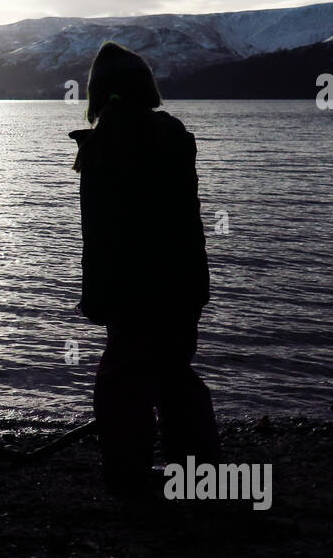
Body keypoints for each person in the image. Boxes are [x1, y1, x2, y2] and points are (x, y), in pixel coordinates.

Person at [70, 41, 220, 499]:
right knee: (173, 375)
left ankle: (128, 475)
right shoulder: (171, 136)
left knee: (124, 381)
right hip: (181, 284)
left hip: (131, 290)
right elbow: (183, 222)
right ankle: (196, 476)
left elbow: (101, 235)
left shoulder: (103, 147)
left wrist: (97, 298)